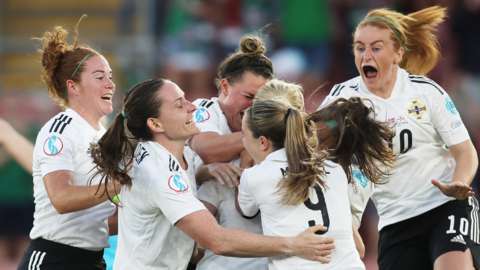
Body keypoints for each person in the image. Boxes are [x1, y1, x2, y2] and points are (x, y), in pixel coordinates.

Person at [89, 78, 335, 270]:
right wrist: (293, 244)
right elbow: (216, 240)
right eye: (179, 105)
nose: (191, 106)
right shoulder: (158, 168)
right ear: (156, 124)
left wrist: (203, 173)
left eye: (185, 98)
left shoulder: (177, 154)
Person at [319, 6, 479, 270]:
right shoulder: (341, 99)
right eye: (360, 48)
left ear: (398, 53)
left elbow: (465, 150)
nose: (365, 56)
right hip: (395, 219)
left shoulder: (426, 92)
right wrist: (346, 217)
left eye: (376, 48)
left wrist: (459, 182)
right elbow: (316, 151)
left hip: (445, 205)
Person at [237, 97, 395, 269]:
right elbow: (359, 248)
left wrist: (244, 166)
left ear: (262, 142)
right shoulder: (334, 170)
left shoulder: (254, 177)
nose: (242, 141)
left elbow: (245, 211)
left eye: (243, 134)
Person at [17, 19, 119, 270]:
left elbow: (95, 218)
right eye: (99, 77)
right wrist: (121, 182)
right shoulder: (60, 130)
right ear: (73, 86)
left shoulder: (101, 133)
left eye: (110, 76)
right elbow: (61, 198)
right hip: (54, 259)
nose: (110, 84)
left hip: (92, 259)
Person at [191, 35, 274, 270]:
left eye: (262, 100)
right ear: (225, 86)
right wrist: (265, 132)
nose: (254, 106)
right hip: (203, 235)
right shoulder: (205, 110)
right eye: (249, 97)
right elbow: (207, 149)